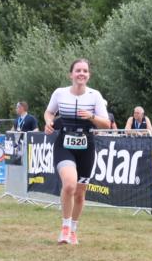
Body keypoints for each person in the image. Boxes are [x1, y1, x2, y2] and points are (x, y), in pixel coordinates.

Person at [44, 58, 112, 245]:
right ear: (71, 74)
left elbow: (106, 124)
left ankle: (74, 229)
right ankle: (65, 228)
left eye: (85, 71)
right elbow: (49, 112)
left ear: (88, 75)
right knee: (69, 184)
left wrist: (91, 117)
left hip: (86, 146)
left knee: (80, 193)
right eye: (78, 70)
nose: (81, 73)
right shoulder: (60, 93)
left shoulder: (94, 96)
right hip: (64, 144)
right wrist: (49, 122)